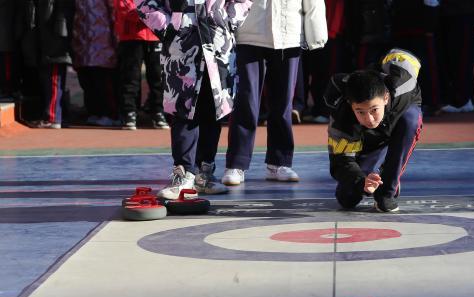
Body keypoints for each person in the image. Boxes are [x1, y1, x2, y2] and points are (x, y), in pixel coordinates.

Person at [137, 0, 252, 199]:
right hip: (181, 47)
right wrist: (168, 26)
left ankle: (204, 173)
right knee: (183, 109)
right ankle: (183, 173)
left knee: (213, 109)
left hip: (217, 45)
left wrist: (226, 19)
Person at [223, 0, 328, 186]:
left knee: (283, 104)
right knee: (246, 101)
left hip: (289, 35)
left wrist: (316, 35)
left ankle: (279, 162)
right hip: (247, 32)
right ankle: (236, 163)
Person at [326, 49, 422, 213]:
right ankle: (372, 173)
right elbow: (339, 162)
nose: (369, 119)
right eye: (360, 111)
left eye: (374, 109)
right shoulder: (343, 115)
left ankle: (388, 190)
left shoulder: (403, 88)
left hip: (395, 126)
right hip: (365, 140)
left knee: (411, 118)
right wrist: (361, 181)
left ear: (385, 98)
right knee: (347, 198)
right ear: (351, 104)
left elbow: (403, 57)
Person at [17, 0, 75, 129]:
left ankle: (53, 117)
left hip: (54, 36)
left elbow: (64, 10)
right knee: (48, 78)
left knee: (54, 78)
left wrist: (61, 30)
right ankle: (57, 116)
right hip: (43, 35)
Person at [114, 0, 168, 130]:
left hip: (155, 36)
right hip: (131, 37)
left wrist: (151, 15)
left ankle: (158, 112)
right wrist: (150, 14)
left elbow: (165, 8)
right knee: (130, 77)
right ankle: (129, 113)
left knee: (158, 77)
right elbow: (126, 9)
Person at [72, 0, 120, 127]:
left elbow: (114, 12)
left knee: (102, 80)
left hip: (103, 41)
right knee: (87, 79)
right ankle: (94, 112)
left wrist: (116, 40)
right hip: (82, 41)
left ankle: (109, 114)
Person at [437, 0, 474, 114]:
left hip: (460, 12)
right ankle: (465, 97)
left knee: (460, 57)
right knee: (455, 57)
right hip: (454, 12)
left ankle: (463, 99)